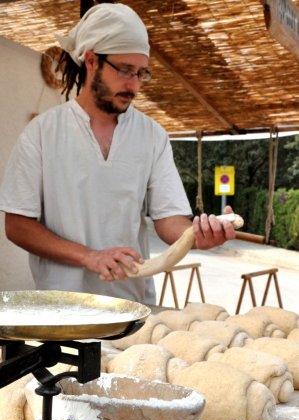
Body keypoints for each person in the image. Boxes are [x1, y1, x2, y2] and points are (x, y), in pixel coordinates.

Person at [0, 3, 235, 305]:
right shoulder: (42, 134)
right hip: (61, 309)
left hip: (132, 308)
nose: (134, 85)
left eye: (141, 73)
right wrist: (89, 256)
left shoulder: (152, 136)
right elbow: (17, 226)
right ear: (91, 61)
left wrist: (197, 233)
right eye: (125, 70)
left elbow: (168, 219)